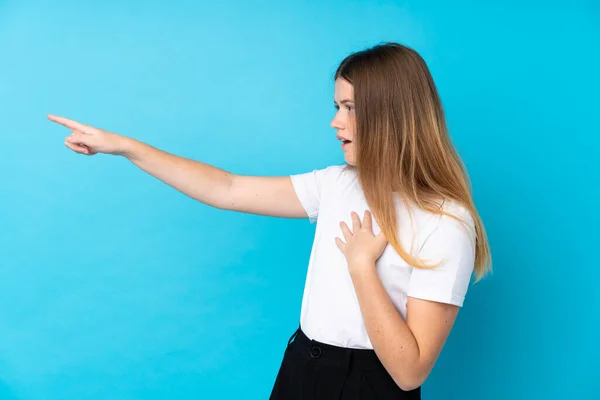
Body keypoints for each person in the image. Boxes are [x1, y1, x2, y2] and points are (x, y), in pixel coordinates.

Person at [48, 42, 491, 399]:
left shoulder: (446, 222)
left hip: (369, 385)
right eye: (338, 106)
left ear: (392, 114)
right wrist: (126, 147)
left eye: (350, 107)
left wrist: (361, 267)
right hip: (303, 365)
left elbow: (410, 371)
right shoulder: (337, 183)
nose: (336, 122)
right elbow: (228, 189)